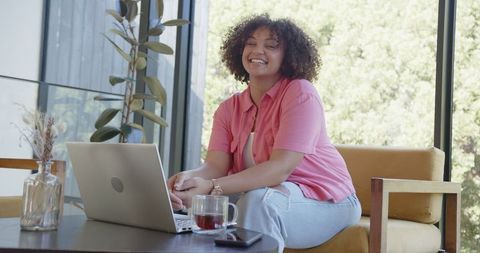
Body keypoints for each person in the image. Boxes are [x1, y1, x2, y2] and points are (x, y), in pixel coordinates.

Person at [168, 13, 361, 251]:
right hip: (266, 199)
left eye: (270, 46)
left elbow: (279, 169)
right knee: (248, 201)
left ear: (289, 56)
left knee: (259, 201)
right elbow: (214, 166)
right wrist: (187, 179)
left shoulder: (301, 93)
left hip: (329, 203)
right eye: (250, 43)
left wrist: (210, 186)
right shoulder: (229, 109)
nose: (257, 50)